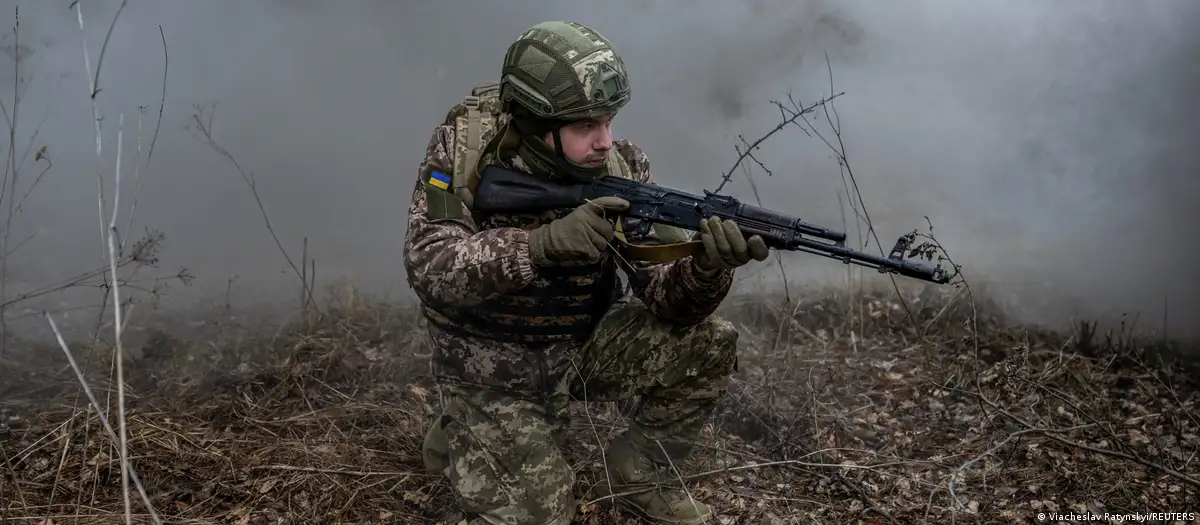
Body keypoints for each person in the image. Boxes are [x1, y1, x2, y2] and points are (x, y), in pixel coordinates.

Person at [403, 20, 769, 525]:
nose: (605, 141)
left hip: (581, 348)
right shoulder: (462, 150)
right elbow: (430, 267)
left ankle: (639, 471)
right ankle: (462, 424)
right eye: (585, 127)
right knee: (544, 514)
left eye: (609, 121)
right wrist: (539, 247)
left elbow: (666, 302)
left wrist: (705, 268)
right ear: (535, 123)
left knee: (711, 342)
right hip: (493, 370)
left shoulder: (621, 166)